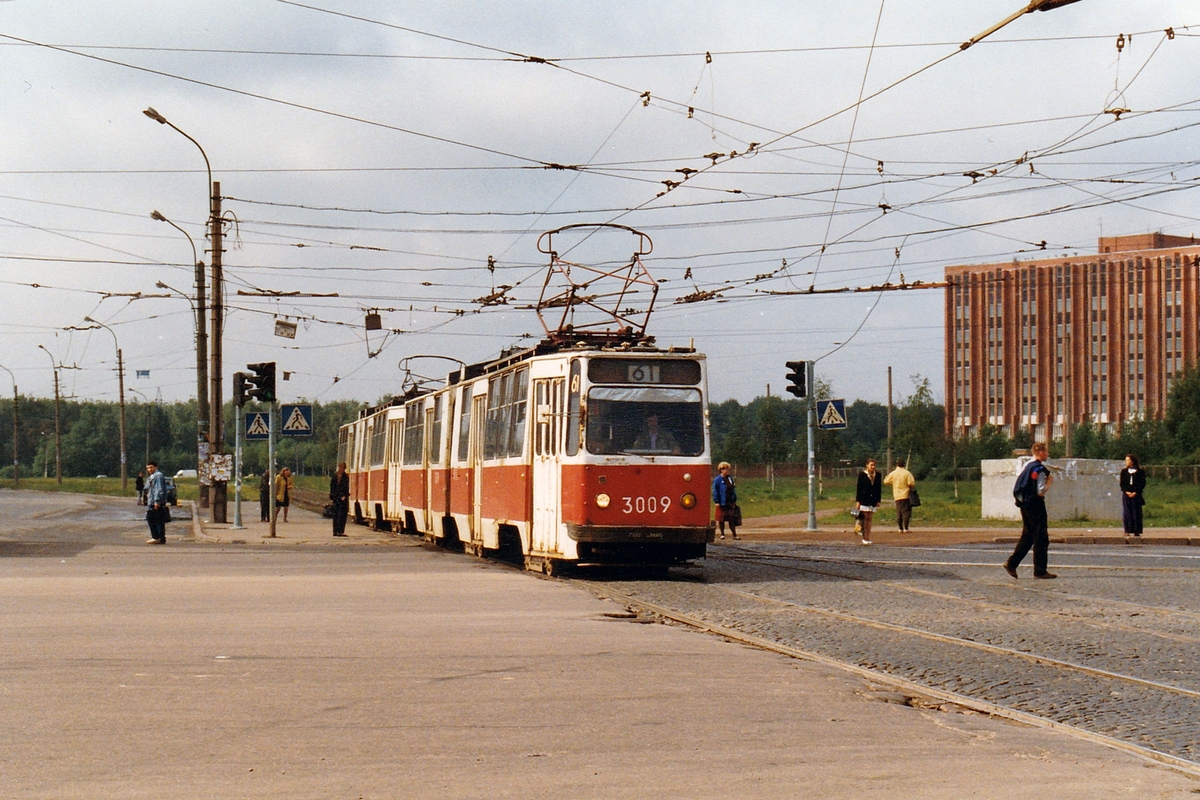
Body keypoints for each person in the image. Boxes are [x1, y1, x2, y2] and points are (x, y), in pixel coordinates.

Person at [1005, 442, 1056, 579]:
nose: (1047, 454)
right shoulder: (1038, 469)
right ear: (1040, 452)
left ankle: (1012, 563)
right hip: (1036, 505)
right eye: (1046, 452)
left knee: (1028, 536)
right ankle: (1040, 570)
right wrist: (1049, 481)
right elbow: (1040, 491)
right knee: (1041, 537)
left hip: (1025, 504)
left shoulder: (1027, 466)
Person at [883, 458, 916, 532]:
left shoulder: (893, 473)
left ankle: (900, 528)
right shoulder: (907, 473)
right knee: (906, 512)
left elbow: (886, 481)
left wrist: (893, 482)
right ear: (904, 464)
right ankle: (906, 528)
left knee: (899, 511)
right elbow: (911, 483)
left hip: (896, 495)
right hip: (905, 494)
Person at [854, 458, 882, 545]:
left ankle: (868, 537)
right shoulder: (862, 475)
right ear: (867, 465)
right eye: (871, 465)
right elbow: (859, 488)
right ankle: (864, 538)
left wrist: (878, 500)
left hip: (873, 500)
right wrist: (858, 501)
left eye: (874, 465)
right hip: (864, 499)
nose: (873, 467)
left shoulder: (878, 475)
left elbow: (879, 488)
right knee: (865, 519)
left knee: (870, 519)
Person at [1120, 454, 1146, 540]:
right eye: (1126, 460)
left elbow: (1142, 483)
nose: (1126, 462)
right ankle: (1127, 530)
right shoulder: (1124, 472)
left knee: (1136, 513)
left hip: (1136, 495)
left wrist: (1136, 492)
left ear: (1132, 461)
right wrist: (1126, 491)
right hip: (1126, 495)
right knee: (1127, 512)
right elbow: (1122, 484)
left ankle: (1136, 531)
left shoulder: (1140, 472)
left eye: (1128, 460)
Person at [712, 461, 738, 540]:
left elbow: (733, 489)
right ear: (720, 470)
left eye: (727, 469)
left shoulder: (730, 479)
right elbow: (715, 491)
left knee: (731, 519)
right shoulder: (717, 480)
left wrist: (734, 499)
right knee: (721, 519)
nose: (726, 470)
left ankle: (734, 534)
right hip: (722, 502)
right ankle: (722, 534)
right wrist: (716, 501)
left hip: (730, 501)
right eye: (724, 469)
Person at [144, 461, 167, 545]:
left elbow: (158, 489)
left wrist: (157, 501)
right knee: (158, 520)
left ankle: (156, 537)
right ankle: (160, 538)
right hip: (153, 501)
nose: (149, 469)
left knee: (152, 519)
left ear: (156, 467)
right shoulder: (152, 476)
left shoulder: (158, 476)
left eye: (151, 467)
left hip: (156, 502)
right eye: (148, 468)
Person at [330, 462, 350, 537]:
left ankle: (335, 531)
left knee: (336, 515)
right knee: (342, 515)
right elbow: (345, 488)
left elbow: (332, 488)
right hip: (342, 499)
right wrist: (344, 495)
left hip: (336, 499)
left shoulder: (334, 476)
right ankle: (340, 531)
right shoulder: (345, 477)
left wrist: (333, 496)